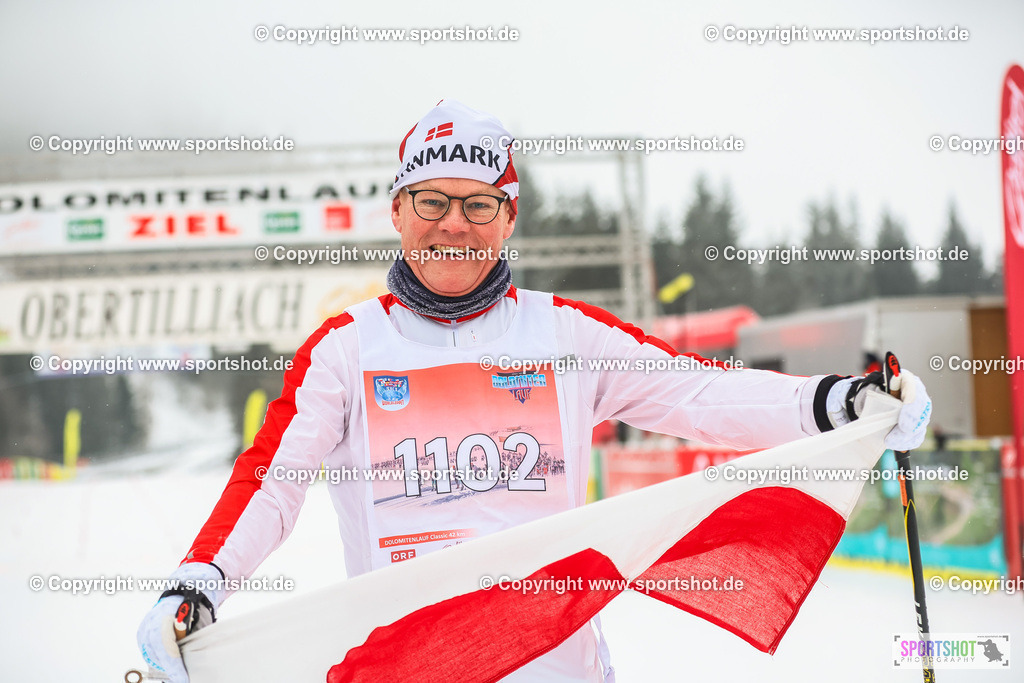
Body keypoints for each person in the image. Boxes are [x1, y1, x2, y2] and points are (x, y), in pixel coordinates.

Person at [137, 100, 932, 682]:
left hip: (558, 668)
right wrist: (199, 580)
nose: (455, 223)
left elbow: (698, 394)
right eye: (433, 201)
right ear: (398, 211)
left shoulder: (564, 334)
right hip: (404, 667)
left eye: (479, 204)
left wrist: (838, 402)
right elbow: (272, 483)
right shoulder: (346, 349)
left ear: (507, 216)